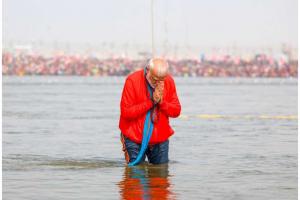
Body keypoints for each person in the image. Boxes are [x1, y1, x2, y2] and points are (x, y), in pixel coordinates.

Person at [119, 58, 181, 165]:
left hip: (160, 138)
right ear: (147, 70)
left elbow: (176, 111)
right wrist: (151, 102)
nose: (158, 83)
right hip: (134, 137)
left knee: (161, 177)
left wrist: (161, 102)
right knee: (135, 177)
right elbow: (126, 112)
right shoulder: (132, 80)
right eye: (154, 79)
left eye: (161, 80)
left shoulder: (169, 81)